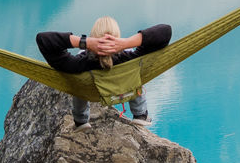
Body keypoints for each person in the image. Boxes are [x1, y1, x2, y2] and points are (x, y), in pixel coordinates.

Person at [36, 18, 171, 128]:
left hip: (92, 90)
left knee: (77, 81)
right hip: (125, 87)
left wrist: (85, 43)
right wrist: (126, 43)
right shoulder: (130, 58)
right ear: (117, 38)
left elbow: (43, 39)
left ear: (93, 37)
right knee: (136, 69)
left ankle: (81, 121)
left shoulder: (78, 64)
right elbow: (165, 31)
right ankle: (140, 114)